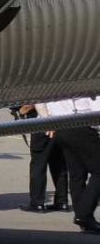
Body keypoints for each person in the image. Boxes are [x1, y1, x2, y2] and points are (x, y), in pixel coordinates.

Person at [39, 96, 100, 235]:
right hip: (82, 124)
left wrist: (47, 119)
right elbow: (97, 107)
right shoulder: (90, 79)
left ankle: (83, 219)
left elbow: (40, 100)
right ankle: (84, 214)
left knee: (77, 174)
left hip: (62, 126)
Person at [19, 104, 69, 212]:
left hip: (44, 125)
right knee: (59, 164)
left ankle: (37, 203)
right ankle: (62, 202)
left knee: (38, 165)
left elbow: (38, 103)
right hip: (62, 123)